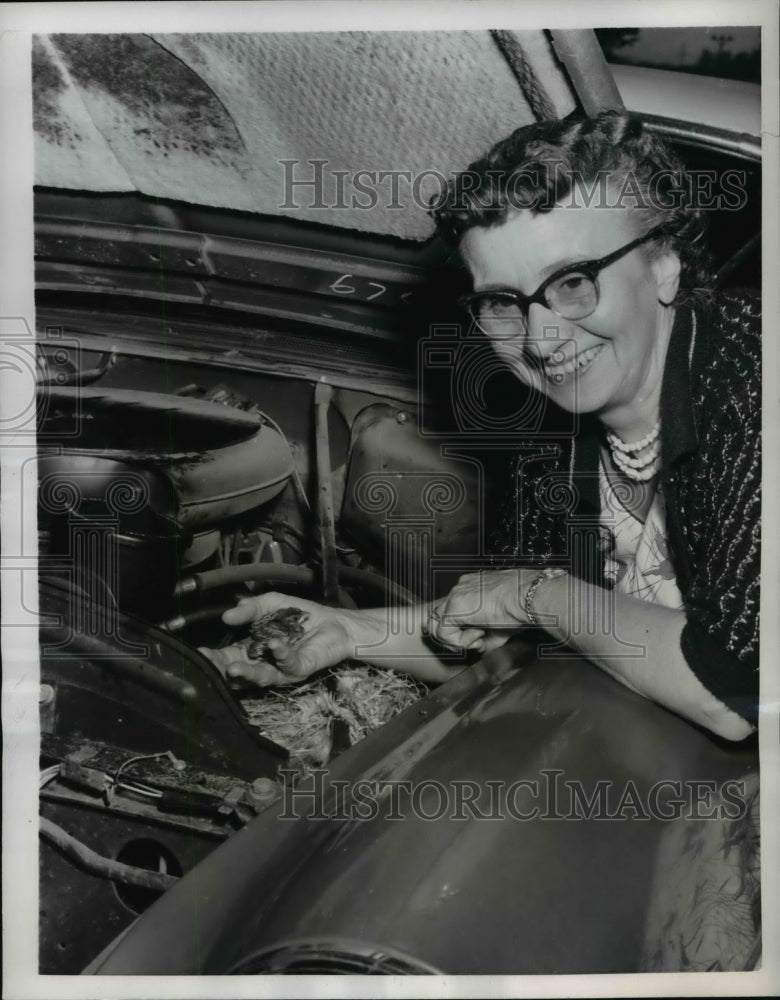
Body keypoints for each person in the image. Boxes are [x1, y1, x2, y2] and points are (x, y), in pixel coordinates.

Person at [205, 110, 760, 742]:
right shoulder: (548, 440)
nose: (543, 341)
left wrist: (537, 594)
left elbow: (738, 688)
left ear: (664, 265)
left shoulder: (753, 377)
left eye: (574, 282)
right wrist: (350, 632)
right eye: (503, 303)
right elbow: (501, 633)